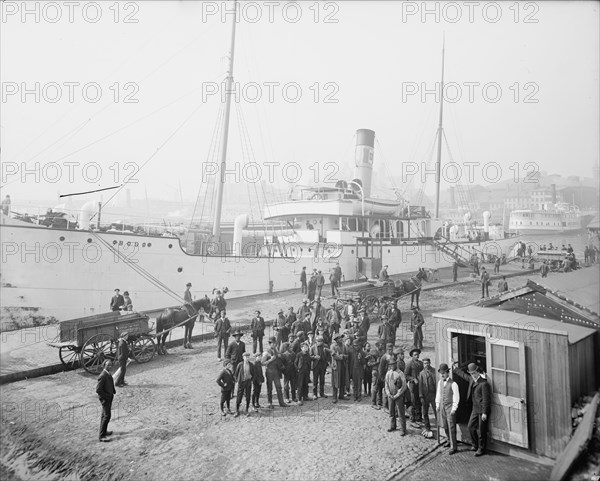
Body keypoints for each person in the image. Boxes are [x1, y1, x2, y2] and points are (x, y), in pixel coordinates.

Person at [452, 362, 491, 456]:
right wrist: (454, 368)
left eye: (474, 373)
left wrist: (485, 413)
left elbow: (486, 400)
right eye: (471, 373)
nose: (473, 375)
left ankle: (481, 449)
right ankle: (475, 444)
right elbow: (463, 375)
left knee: (482, 431)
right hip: (474, 408)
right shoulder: (471, 379)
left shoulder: (483, 383)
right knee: (470, 426)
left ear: (478, 372)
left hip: (482, 410)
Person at [436, 363, 460, 455]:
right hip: (442, 406)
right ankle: (448, 440)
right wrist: (437, 404)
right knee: (445, 424)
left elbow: (456, 397)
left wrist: (454, 408)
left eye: (444, 373)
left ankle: (454, 446)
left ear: (448, 373)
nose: (442, 375)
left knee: (451, 426)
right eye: (441, 373)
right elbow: (438, 394)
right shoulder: (440, 382)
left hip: (450, 407)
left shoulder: (453, 384)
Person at [262, 337, 287, 408]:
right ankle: (269, 403)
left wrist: (279, 356)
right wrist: (270, 360)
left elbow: (279, 358)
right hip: (269, 371)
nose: (275, 345)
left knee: (279, 387)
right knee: (269, 388)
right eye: (273, 343)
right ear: (270, 344)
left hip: (276, 371)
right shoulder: (266, 352)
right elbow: (262, 363)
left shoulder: (276, 350)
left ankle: (281, 402)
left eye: (275, 343)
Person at [385, 359, 407, 435]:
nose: (392, 366)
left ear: (396, 364)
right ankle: (392, 426)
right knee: (391, 412)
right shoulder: (388, 373)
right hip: (390, 395)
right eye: (390, 365)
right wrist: (388, 394)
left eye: (393, 364)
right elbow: (386, 384)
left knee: (400, 413)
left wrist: (397, 394)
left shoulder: (400, 373)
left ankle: (403, 429)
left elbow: (404, 386)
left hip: (398, 396)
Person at [96, 360, 116, 442]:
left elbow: (111, 383)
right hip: (106, 399)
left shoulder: (107, 373)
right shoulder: (103, 375)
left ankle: (104, 432)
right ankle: (101, 436)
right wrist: (106, 397)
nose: (110, 367)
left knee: (104, 415)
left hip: (109, 397)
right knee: (107, 416)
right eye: (108, 365)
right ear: (104, 365)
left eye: (111, 365)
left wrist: (113, 391)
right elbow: (98, 390)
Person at [418, 358, 437, 433]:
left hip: (433, 395)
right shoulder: (421, 373)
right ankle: (427, 427)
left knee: (436, 411)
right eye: (425, 363)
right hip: (425, 396)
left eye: (427, 363)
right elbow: (420, 386)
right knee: (425, 413)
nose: (426, 365)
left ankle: (439, 427)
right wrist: (421, 396)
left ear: (430, 363)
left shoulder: (434, 371)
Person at [405, 347, 423, 423]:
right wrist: (413, 379)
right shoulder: (409, 364)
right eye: (415, 355)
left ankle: (419, 417)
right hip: (413, 386)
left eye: (417, 354)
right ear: (412, 356)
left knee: (419, 401)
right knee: (413, 401)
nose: (417, 356)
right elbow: (406, 375)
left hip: (420, 385)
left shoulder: (421, 363)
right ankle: (413, 417)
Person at [234, 352, 254, 417]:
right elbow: (236, 374)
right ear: (243, 357)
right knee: (239, 396)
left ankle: (246, 410)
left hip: (248, 382)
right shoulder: (240, 365)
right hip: (241, 383)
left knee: (248, 396)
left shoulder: (251, 365)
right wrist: (237, 381)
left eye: (248, 357)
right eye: (246, 357)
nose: (247, 358)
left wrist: (251, 380)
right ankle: (237, 410)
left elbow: (254, 374)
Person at [329, 333, 348, 403]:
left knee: (342, 380)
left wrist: (344, 356)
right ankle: (334, 397)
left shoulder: (343, 346)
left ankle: (341, 395)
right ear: (336, 340)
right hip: (336, 366)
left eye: (341, 338)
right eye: (339, 338)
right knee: (335, 381)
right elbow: (334, 356)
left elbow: (346, 355)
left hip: (343, 365)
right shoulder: (333, 346)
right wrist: (341, 357)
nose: (341, 339)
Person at [310, 335, 328, 400]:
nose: (319, 342)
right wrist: (314, 357)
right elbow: (309, 356)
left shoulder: (325, 346)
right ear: (316, 341)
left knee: (322, 380)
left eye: (321, 341)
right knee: (315, 380)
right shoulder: (312, 347)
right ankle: (314, 394)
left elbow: (328, 355)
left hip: (323, 365)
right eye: (318, 341)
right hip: (316, 365)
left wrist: (326, 363)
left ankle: (322, 393)